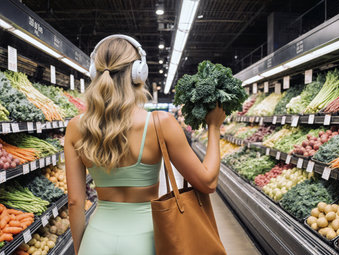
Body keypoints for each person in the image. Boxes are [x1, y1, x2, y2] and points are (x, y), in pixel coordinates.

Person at [64, 35, 226, 255]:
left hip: (96, 240)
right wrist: (214, 128)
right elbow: (208, 183)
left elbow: (74, 202)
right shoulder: (160, 123)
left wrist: (80, 249)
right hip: (147, 240)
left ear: (94, 72)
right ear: (139, 73)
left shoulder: (76, 127)